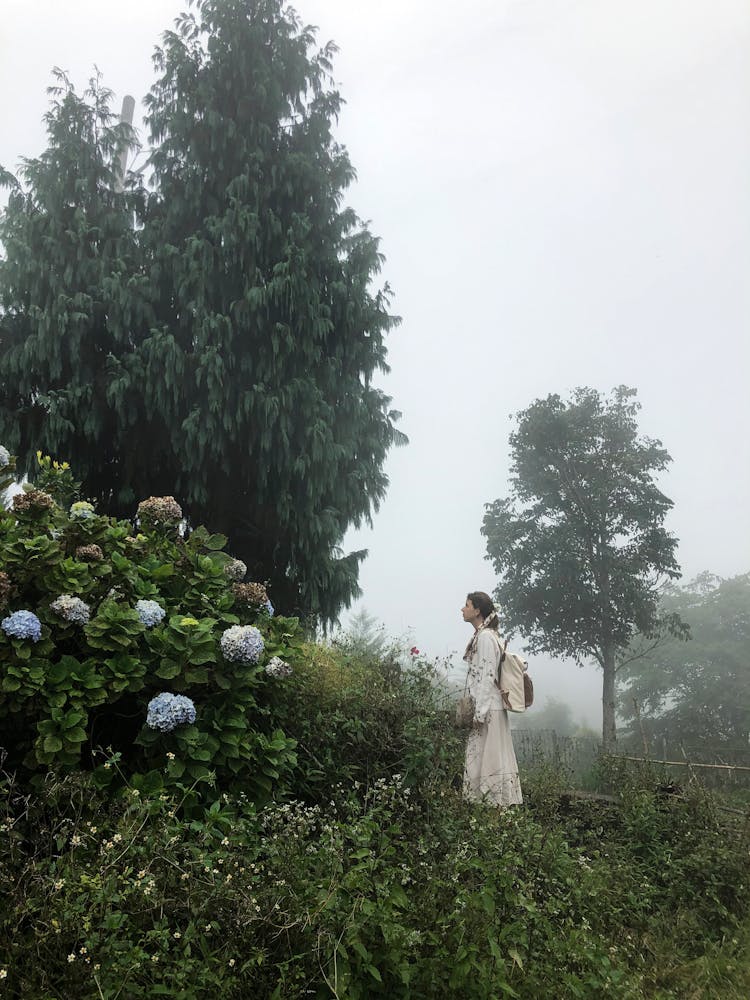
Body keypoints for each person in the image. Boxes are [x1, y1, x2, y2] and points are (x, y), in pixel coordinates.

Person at [461, 591, 523, 807]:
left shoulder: (486, 637)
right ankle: (487, 811)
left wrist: (479, 713)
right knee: (483, 760)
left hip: (489, 711)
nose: (462, 609)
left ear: (477, 610)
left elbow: (488, 676)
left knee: (490, 761)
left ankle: (493, 810)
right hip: (489, 709)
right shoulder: (485, 635)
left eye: (467, 605)